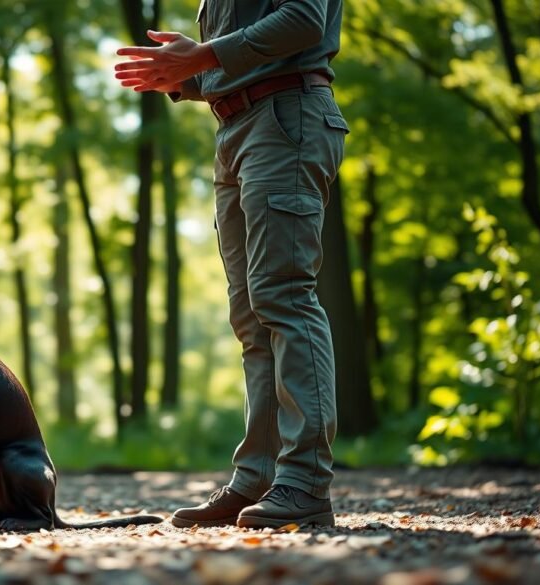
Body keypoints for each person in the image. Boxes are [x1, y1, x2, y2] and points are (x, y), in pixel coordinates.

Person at [115, 0, 347, 529]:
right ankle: (258, 479)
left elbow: (305, 22)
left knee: (284, 297)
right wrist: (182, 74)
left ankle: (306, 481)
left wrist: (201, 56)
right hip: (236, 129)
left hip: (287, 117)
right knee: (251, 315)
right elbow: (243, 56)